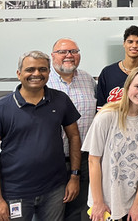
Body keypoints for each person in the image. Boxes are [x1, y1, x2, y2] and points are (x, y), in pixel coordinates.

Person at [0, 51, 81, 221]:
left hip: (55, 190)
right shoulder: (0, 108)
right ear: (19, 74)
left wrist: (74, 176)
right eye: (30, 69)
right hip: (15, 192)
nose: (36, 74)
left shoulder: (61, 100)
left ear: (49, 73)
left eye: (42, 69)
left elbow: (74, 137)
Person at [83, 66, 138, 221]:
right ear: (128, 87)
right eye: (137, 86)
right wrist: (98, 202)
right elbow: (93, 161)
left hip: (134, 202)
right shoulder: (106, 116)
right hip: (105, 201)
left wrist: (137, 203)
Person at [48, 38, 97, 221]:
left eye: (74, 51)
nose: (69, 55)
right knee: (49, 212)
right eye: (62, 52)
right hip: (52, 160)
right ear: (53, 56)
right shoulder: (43, 82)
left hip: (83, 159)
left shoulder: (88, 80)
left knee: (76, 211)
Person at [96, 25, 138, 109]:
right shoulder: (108, 73)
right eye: (130, 42)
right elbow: (100, 107)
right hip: (114, 120)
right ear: (124, 44)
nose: (134, 45)